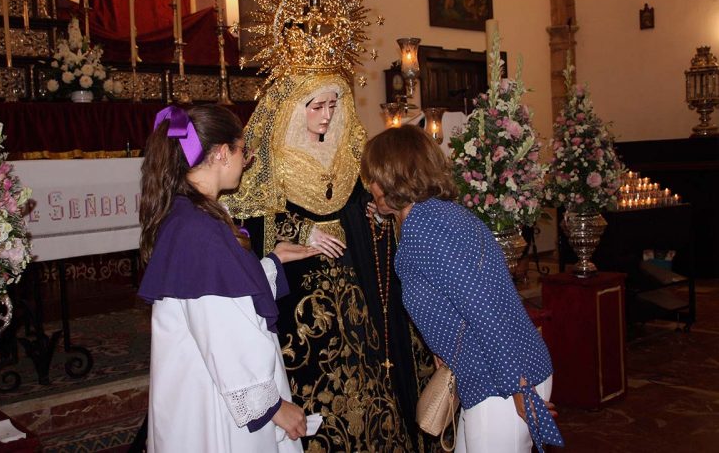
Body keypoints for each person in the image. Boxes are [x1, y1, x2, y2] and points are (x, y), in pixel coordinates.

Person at [224, 74, 439, 452]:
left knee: (367, 364)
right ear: (294, 109)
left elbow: (358, 203)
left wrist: (372, 213)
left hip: (354, 281)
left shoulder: (346, 152)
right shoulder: (271, 158)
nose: (326, 116)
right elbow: (252, 223)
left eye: (333, 106)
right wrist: (303, 231)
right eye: (317, 107)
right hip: (300, 285)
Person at [361, 125, 565, 453]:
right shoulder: (433, 216)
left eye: (372, 177)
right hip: (493, 372)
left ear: (391, 177)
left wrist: (519, 389)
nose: (369, 186)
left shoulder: (427, 230)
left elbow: (484, 307)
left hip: (501, 381)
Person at [138, 105, 319, 452]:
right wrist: (274, 407)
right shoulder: (198, 230)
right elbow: (223, 331)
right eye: (242, 151)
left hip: (205, 382)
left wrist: (274, 262)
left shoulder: (191, 214)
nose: (245, 161)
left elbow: (226, 296)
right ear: (222, 153)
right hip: (213, 401)